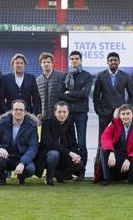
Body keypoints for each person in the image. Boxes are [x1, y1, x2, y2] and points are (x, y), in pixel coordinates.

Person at [93, 52, 133, 172]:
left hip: (120, 116)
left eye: (115, 60)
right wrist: (99, 111)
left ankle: (118, 169)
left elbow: (132, 96)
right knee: (102, 141)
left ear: (119, 62)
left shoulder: (126, 76)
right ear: (107, 62)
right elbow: (96, 96)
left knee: (120, 141)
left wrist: (127, 111)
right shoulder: (100, 76)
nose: (113, 62)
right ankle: (98, 170)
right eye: (111, 60)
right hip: (104, 114)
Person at [93, 104, 133, 185]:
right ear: (119, 115)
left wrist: (129, 159)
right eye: (123, 114)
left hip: (132, 158)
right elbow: (105, 137)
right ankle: (107, 179)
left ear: (132, 114)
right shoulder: (113, 123)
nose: (125, 116)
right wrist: (111, 152)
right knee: (103, 149)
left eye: (128, 113)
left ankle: (131, 179)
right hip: (118, 157)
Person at [59, 50, 92, 181]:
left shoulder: (87, 76)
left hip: (81, 113)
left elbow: (85, 94)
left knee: (82, 143)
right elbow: (60, 95)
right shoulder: (65, 76)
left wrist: (69, 94)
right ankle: (69, 170)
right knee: (68, 143)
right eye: (72, 58)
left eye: (76, 58)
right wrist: (74, 95)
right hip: (68, 114)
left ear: (81, 60)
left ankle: (81, 171)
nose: (74, 60)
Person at [0, 99, 39, 186]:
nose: (18, 112)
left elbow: (33, 147)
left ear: (25, 112)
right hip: (6, 157)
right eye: (16, 109)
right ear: (12, 111)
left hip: (21, 157)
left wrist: (23, 162)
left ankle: (21, 177)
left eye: (21, 110)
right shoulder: (3, 122)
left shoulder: (32, 125)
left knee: (30, 169)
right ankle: (2, 178)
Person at [35, 101, 85, 186]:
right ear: (55, 112)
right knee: (55, 154)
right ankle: (49, 177)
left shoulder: (70, 124)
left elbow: (73, 143)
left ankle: (58, 174)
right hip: (48, 154)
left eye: (64, 112)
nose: (62, 114)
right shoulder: (47, 123)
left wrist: (75, 156)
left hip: (64, 155)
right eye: (59, 112)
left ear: (68, 113)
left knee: (79, 164)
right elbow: (50, 143)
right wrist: (69, 153)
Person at [36, 52, 64, 121]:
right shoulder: (38, 80)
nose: (46, 64)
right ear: (41, 64)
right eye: (44, 62)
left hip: (58, 116)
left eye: (48, 62)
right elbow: (37, 99)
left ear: (52, 64)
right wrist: (39, 112)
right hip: (44, 117)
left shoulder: (61, 76)